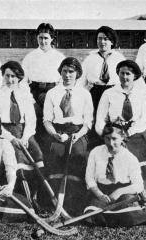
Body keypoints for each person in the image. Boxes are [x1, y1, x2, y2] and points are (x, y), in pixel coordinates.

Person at [84, 123, 146, 227]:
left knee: (128, 213)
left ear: (122, 137)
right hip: (102, 192)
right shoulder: (96, 152)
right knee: (90, 213)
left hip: (123, 194)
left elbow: (139, 185)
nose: (110, 143)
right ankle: (130, 217)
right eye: (107, 138)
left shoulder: (129, 158)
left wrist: (119, 191)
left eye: (114, 139)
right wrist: (99, 194)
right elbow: (89, 178)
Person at [96, 60, 146, 203]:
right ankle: (121, 191)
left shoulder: (142, 93)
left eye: (128, 74)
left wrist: (129, 132)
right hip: (113, 131)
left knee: (144, 149)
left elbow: (145, 119)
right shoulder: (109, 93)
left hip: (135, 132)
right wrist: (106, 133)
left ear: (134, 76)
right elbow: (100, 119)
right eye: (122, 73)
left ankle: (143, 192)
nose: (125, 77)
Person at [0, 61, 44, 208]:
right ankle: (26, 201)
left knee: (36, 154)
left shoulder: (25, 95)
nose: (10, 80)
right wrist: (12, 139)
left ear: (19, 77)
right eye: (7, 76)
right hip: (5, 133)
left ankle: (35, 196)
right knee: (18, 157)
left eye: (13, 76)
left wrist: (25, 137)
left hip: (24, 132)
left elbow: (31, 120)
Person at [43, 57, 93, 215]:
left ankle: (74, 202)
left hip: (77, 132)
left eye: (71, 71)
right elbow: (47, 120)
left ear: (77, 74)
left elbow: (88, 122)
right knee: (55, 153)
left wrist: (78, 135)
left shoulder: (84, 94)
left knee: (77, 155)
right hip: (57, 131)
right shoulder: (52, 93)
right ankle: (52, 202)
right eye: (64, 71)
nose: (67, 75)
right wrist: (54, 134)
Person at [77, 26, 125, 112]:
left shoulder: (119, 58)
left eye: (105, 39)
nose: (102, 42)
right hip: (95, 93)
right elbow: (81, 80)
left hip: (114, 92)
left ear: (112, 41)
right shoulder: (90, 58)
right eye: (99, 39)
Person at [22, 23, 65, 111]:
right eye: (40, 37)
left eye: (46, 38)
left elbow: (63, 80)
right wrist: (30, 99)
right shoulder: (29, 57)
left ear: (52, 38)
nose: (43, 41)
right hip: (34, 91)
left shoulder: (59, 57)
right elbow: (23, 80)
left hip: (53, 91)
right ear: (37, 38)